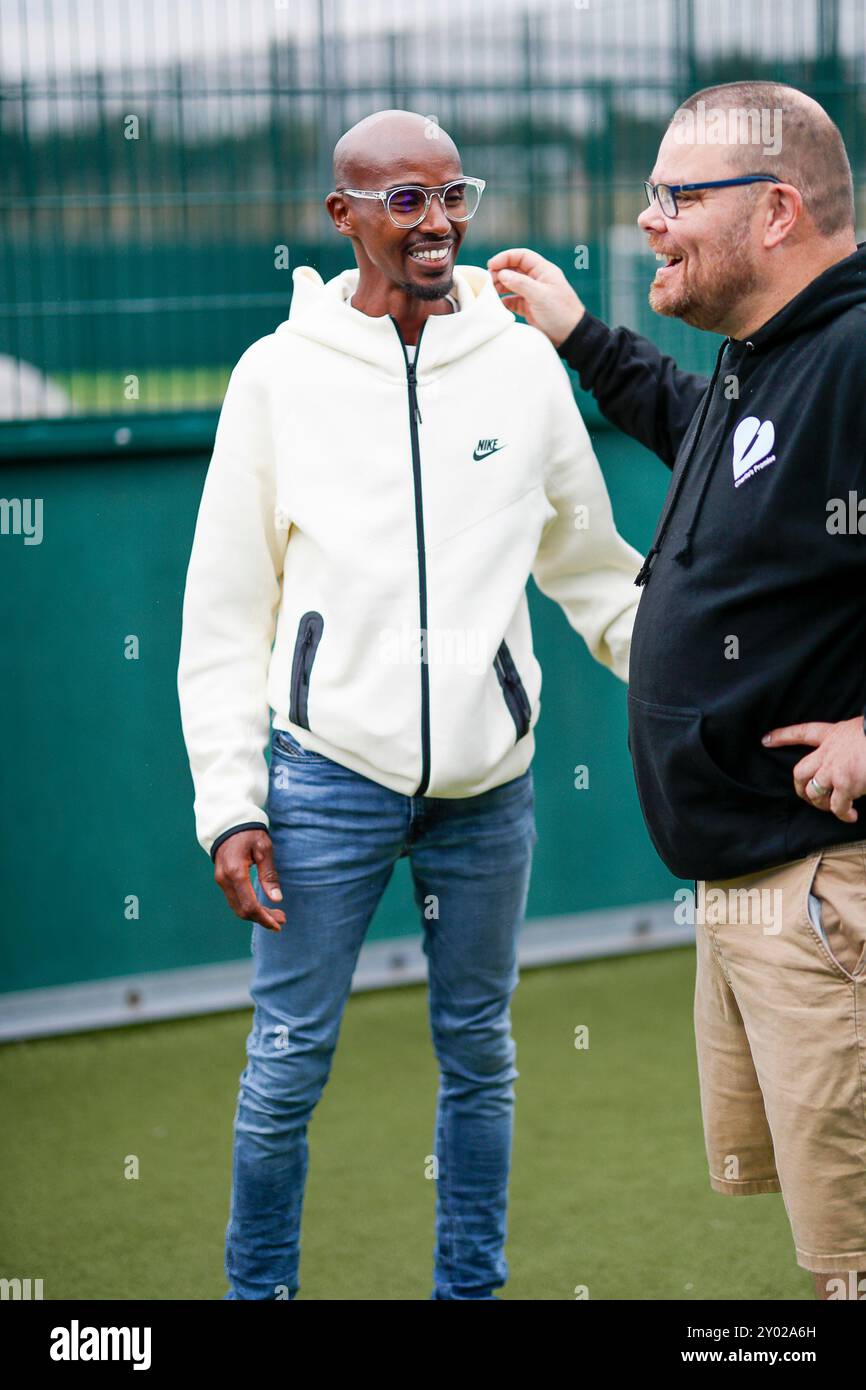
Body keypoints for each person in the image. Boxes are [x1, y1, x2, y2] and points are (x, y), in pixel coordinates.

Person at [177, 108, 642, 1301]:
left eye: (452, 196)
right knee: (284, 1071)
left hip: (490, 793)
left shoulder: (521, 360)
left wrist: (732, 675)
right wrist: (230, 804)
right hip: (324, 780)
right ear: (343, 218)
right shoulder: (275, 377)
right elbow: (225, 616)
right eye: (405, 201)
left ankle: (467, 1294)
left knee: (479, 1059)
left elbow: (592, 569)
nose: (437, 223)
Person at [489, 80, 866, 1300]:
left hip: (827, 885)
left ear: (772, 213)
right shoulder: (769, 356)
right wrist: (578, 335)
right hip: (751, 883)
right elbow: (694, 421)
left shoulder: (856, 356)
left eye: (672, 197)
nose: (647, 219)